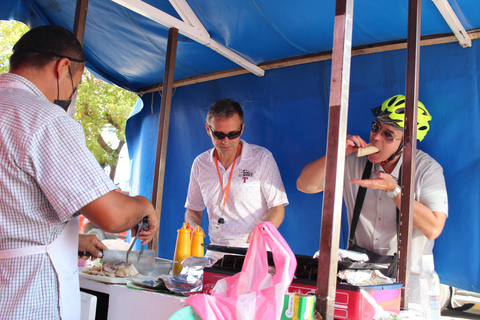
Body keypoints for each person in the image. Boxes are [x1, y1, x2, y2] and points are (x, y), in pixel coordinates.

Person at [0, 25, 159, 320]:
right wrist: (143, 205)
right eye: (78, 82)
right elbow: (113, 215)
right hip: (27, 298)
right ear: (63, 68)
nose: (73, 92)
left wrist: (73, 240)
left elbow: (16, 212)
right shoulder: (44, 119)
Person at [297, 94, 448, 303]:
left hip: (408, 285)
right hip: (357, 277)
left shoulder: (427, 170)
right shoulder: (353, 161)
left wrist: (394, 191)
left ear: (407, 143)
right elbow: (305, 185)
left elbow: (433, 229)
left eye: (388, 135)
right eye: (376, 127)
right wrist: (336, 152)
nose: (376, 137)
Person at [184, 98, 288, 261]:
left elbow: (277, 208)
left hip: (255, 254)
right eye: (219, 135)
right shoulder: (200, 163)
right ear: (208, 129)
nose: (226, 141)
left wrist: (264, 229)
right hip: (214, 254)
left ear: (242, 128)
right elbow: (193, 210)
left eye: (233, 134)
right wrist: (193, 225)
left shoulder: (261, 158)